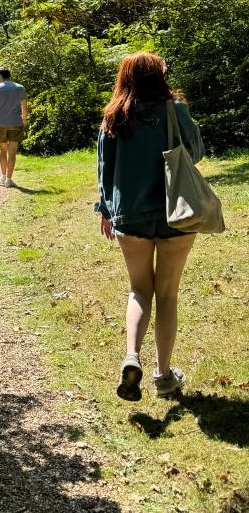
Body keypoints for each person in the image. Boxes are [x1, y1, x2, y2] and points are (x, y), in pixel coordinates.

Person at [96, 52, 204, 402]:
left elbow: (104, 169)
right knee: (168, 293)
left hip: (131, 214)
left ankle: (132, 356)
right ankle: (163, 375)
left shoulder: (114, 117)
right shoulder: (176, 111)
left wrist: (105, 210)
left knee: (139, 290)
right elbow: (197, 152)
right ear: (159, 76)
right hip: (178, 212)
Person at [0, 68, 27, 187]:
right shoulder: (20, 88)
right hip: (16, 122)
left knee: (3, 150)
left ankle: (3, 176)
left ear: (0, 76)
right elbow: (24, 107)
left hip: (1, 123)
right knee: (13, 152)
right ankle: (9, 180)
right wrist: (24, 120)